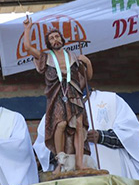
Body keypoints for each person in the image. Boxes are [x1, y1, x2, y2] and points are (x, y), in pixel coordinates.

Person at [22, 18, 93, 171]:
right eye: (51, 38)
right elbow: (27, 47)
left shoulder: (73, 57)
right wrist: (28, 28)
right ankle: (60, 162)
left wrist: (87, 63)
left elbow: (88, 77)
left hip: (74, 93)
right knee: (60, 124)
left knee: (79, 126)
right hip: (57, 96)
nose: (55, 40)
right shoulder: (46, 58)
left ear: (62, 39)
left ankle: (80, 163)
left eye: (57, 36)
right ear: (48, 43)